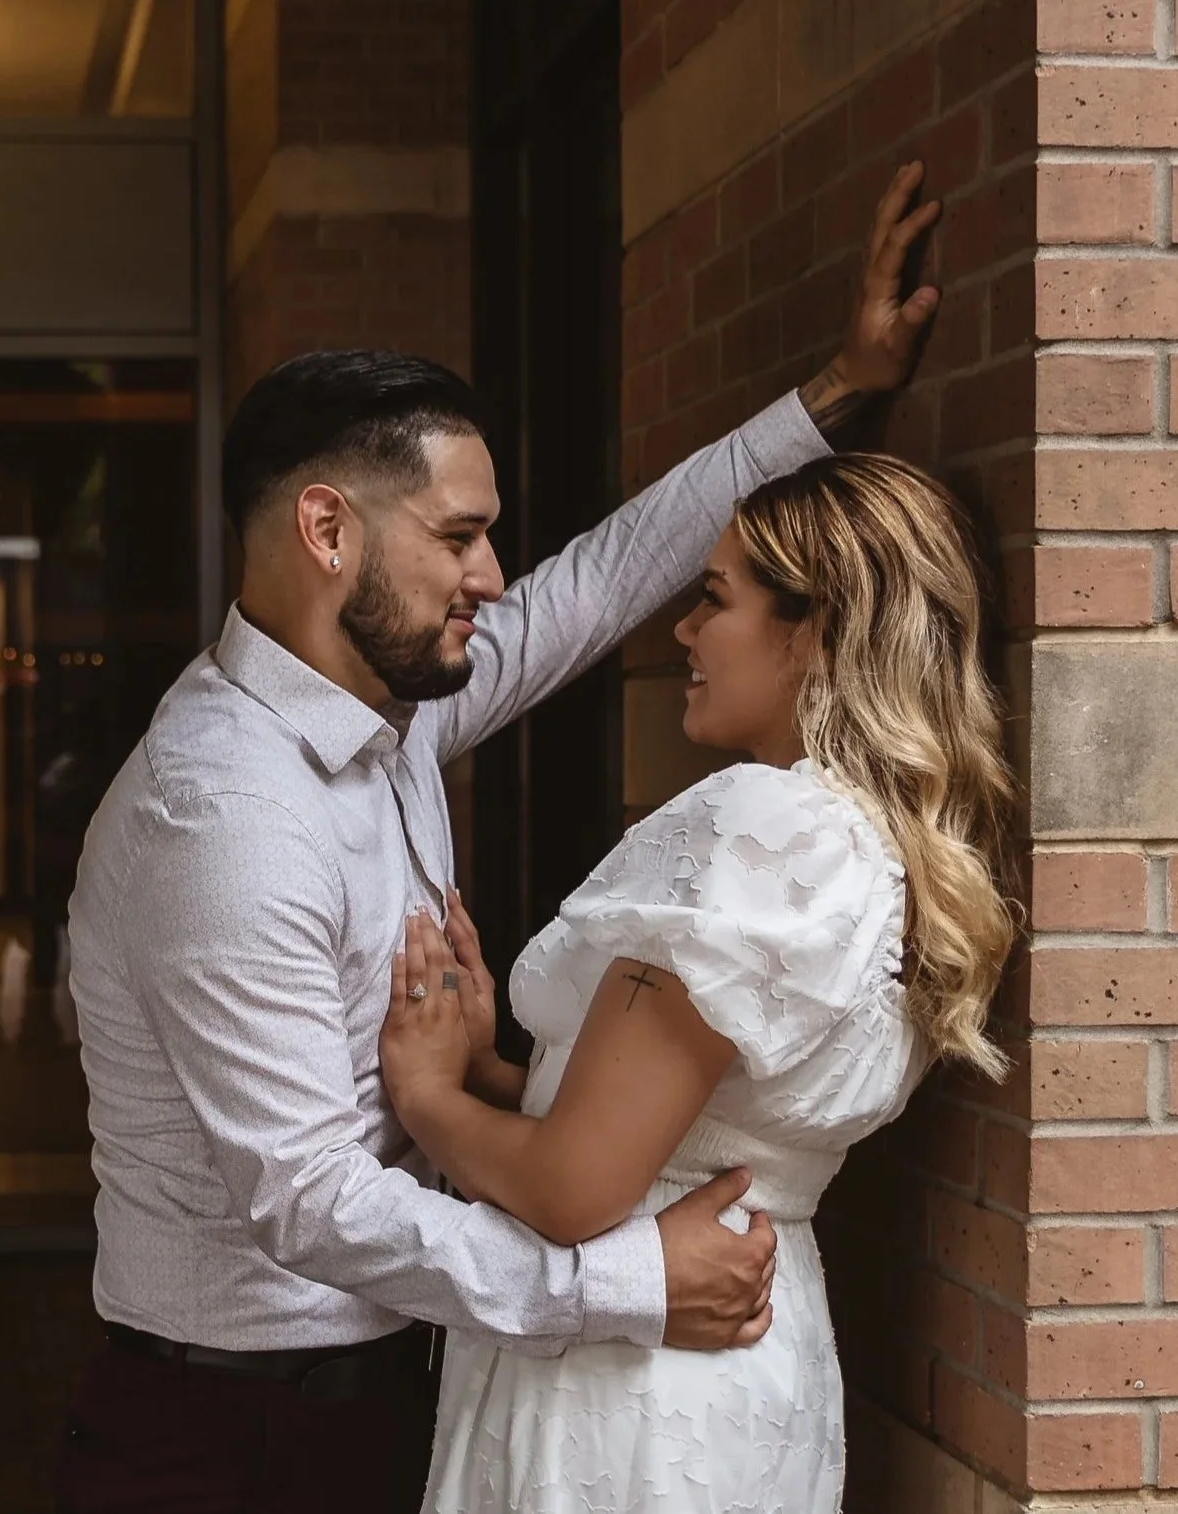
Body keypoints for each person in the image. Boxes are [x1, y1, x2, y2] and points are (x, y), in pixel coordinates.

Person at [56, 164, 943, 1513]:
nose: (490, 576)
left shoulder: (392, 701)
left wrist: (838, 390)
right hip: (233, 1438)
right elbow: (306, 1196)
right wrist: (628, 1282)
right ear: (328, 529)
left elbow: (600, 579)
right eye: (461, 535)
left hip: (386, 1389)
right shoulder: (223, 815)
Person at [382, 453, 1015, 1513]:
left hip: (633, 1373)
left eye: (714, 599)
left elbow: (575, 1187)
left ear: (815, 630)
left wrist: (427, 1095)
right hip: (747, 1363)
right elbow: (708, 1128)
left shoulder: (759, 828)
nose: (682, 631)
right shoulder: (873, 844)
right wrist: (502, 1073)